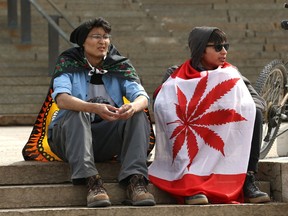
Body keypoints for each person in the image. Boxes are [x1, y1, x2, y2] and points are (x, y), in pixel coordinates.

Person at [24, 17, 156, 207]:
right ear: (83, 41)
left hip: (104, 138)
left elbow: (142, 97)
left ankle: (135, 182)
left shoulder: (119, 65)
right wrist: (93, 107)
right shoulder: (68, 62)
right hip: (68, 137)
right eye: (96, 36)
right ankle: (92, 182)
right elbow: (61, 99)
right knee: (78, 112)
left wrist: (132, 106)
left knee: (137, 114)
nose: (103, 41)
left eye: (106, 37)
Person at [148, 26, 270, 205]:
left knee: (255, 113)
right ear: (200, 48)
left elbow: (256, 100)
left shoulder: (231, 73)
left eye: (226, 46)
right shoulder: (175, 74)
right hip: (193, 135)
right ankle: (189, 182)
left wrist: (237, 108)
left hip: (223, 135)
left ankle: (248, 179)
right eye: (218, 47)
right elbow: (161, 101)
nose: (224, 52)